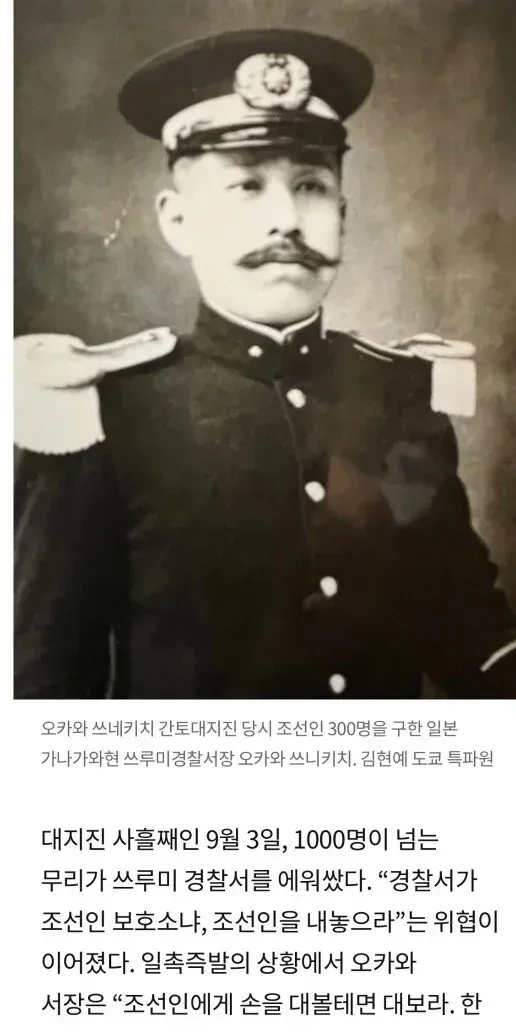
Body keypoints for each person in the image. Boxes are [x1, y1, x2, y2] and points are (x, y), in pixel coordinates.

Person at [14, 28, 516, 699]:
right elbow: (44, 682)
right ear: (178, 221)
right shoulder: (104, 412)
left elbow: (469, 631)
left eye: (311, 185)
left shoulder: (400, 394)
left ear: (343, 215)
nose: (287, 219)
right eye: (246, 186)